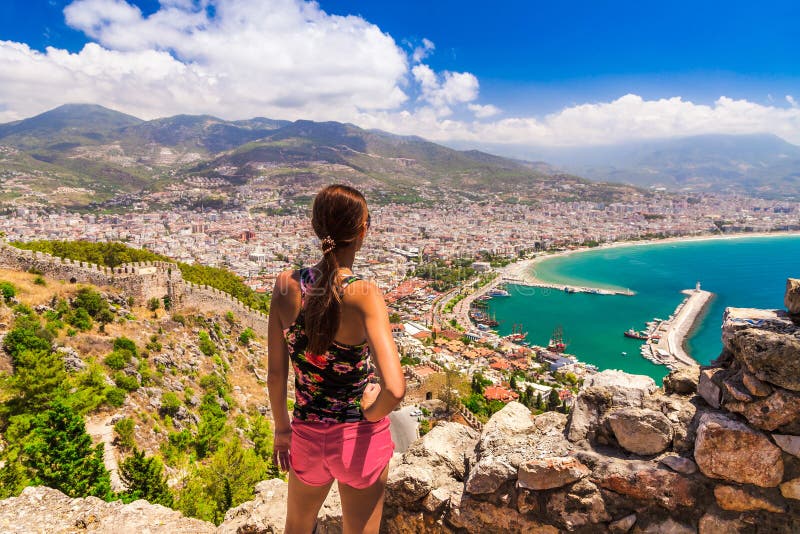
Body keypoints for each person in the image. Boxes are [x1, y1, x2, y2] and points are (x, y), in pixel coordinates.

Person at [267, 184, 406, 534]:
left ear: (316, 227)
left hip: (307, 436)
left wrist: (283, 431)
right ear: (362, 232)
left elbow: (275, 374)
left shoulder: (286, 285)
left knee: (297, 527)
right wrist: (370, 411)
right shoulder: (364, 294)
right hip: (359, 439)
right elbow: (395, 389)